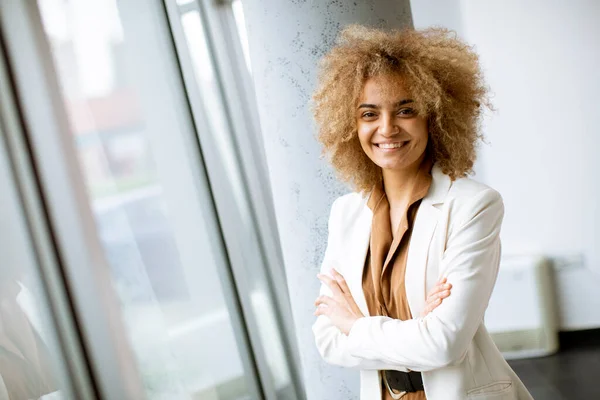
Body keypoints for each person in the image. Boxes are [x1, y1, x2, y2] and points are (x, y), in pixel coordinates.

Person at [311, 25, 533, 400]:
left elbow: (444, 343)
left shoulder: (474, 206)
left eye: (406, 109)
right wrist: (417, 328)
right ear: (351, 123)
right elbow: (327, 340)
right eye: (369, 114)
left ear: (435, 114)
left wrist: (356, 324)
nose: (386, 128)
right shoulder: (345, 213)